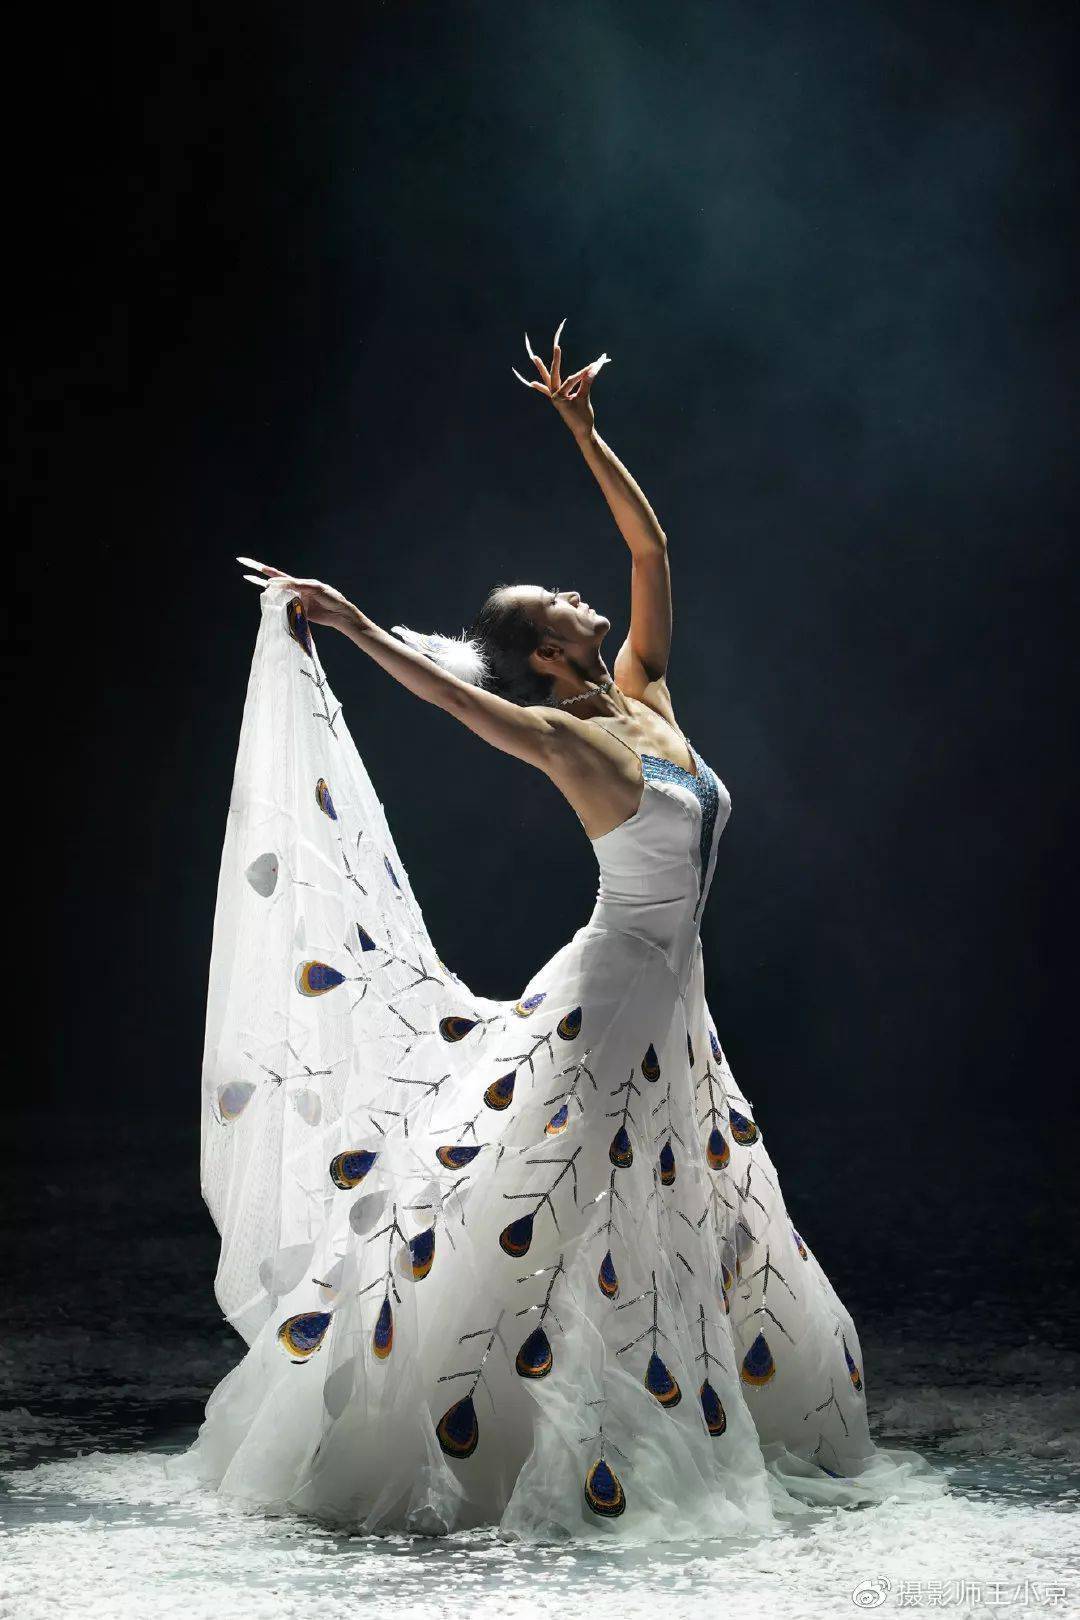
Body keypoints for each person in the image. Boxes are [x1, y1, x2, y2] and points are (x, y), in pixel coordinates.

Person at [170, 326, 944, 1541]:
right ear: (546, 653)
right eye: (565, 607)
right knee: (566, 1208)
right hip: (615, 995)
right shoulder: (565, 739)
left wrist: (582, 429)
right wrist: (358, 624)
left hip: (674, 1001)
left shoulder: (643, 696)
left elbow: (652, 548)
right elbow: (449, 696)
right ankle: (506, 1438)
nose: (589, 601)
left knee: (681, 1216)